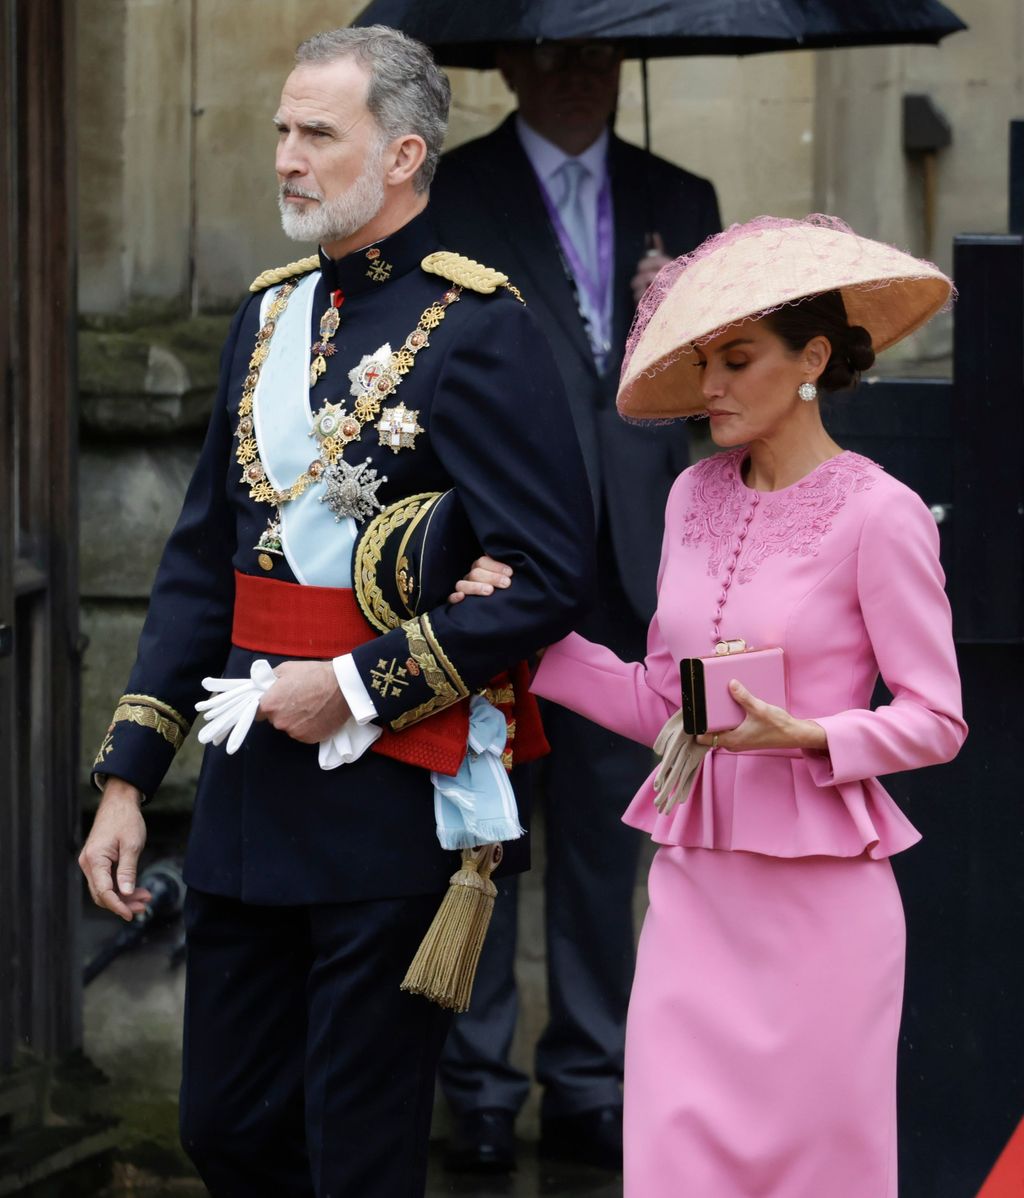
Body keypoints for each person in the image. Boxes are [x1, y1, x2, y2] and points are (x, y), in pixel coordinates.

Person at [76, 25, 594, 1198]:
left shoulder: (481, 328)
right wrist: (125, 779)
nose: (287, 158)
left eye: (319, 134)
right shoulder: (264, 321)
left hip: (388, 800)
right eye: (280, 131)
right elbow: (204, 563)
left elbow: (551, 573)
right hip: (250, 796)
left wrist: (357, 683)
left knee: (355, 1154)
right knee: (223, 1125)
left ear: (402, 154)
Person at [453, 214, 967, 1195]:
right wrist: (528, 639)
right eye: (702, 362)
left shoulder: (879, 510)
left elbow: (936, 716)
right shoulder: (689, 496)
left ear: (810, 357)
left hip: (824, 911)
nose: (712, 385)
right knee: (674, 1161)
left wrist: (812, 733)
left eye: (737, 358)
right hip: (693, 895)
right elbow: (661, 696)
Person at [429, 38, 721, 1172]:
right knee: (484, 830)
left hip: (636, 574)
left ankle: (592, 1079)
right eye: (548, 51)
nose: (572, 72)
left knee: (612, 843)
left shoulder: (679, 197)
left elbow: (716, 380)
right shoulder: (454, 191)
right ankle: (483, 1089)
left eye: (596, 51)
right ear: (505, 62)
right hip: (500, 560)